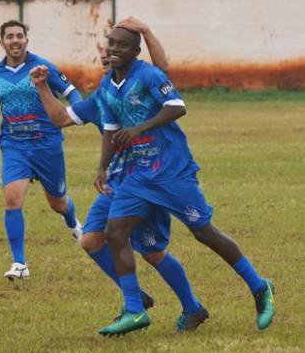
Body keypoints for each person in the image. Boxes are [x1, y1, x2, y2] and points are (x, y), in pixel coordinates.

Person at [92, 26, 274, 336]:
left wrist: (138, 130)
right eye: (112, 43)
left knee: (204, 232)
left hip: (172, 171)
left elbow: (177, 107)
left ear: (136, 52)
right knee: (115, 232)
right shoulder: (107, 85)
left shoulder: (148, 75)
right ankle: (135, 310)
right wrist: (102, 168)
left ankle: (259, 287)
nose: (116, 49)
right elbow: (110, 129)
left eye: (123, 45)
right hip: (140, 174)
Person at [29, 18, 208, 332]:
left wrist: (148, 31)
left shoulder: (141, 86)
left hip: (146, 176)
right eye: (105, 52)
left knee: (151, 251)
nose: (108, 57)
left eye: (115, 50)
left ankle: (170, 306)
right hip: (118, 181)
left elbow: (163, 72)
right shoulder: (101, 99)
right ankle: (137, 299)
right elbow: (59, 117)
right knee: (91, 240)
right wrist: (42, 86)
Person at [0, 20, 83, 280]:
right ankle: (20, 264)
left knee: (58, 203)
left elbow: (72, 92)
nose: (15, 40)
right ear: (2, 43)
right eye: (10, 36)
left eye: (20, 36)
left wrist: (75, 113)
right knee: (12, 199)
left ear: (26, 41)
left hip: (46, 143)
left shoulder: (42, 67)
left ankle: (74, 223)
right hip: (14, 144)